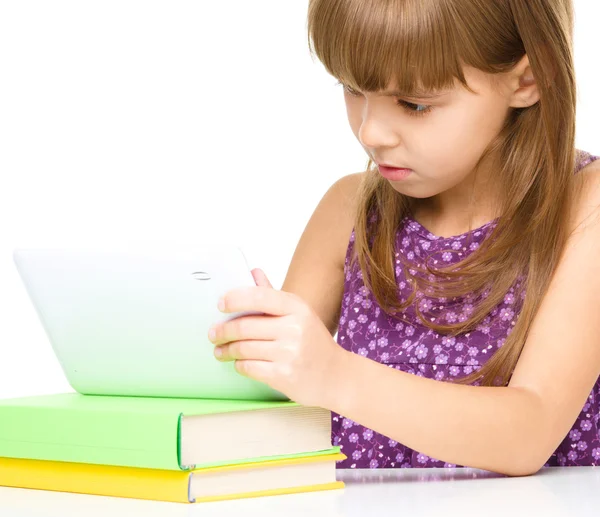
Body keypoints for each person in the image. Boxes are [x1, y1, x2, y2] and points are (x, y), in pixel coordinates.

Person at [207, 0, 600, 476]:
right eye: (353, 89)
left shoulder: (584, 206)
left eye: (414, 104)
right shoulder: (348, 210)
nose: (371, 131)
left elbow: (529, 432)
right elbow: (273, 390)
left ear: (527, 80)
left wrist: (333, 374)